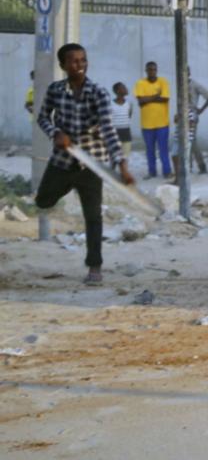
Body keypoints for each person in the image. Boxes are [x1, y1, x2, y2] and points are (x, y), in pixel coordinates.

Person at [35, 44, 135, 285]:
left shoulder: (98, 92)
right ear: (63, 66)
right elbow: (42, 117)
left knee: (93, 217)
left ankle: (94, 267)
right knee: (43, 201)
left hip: (92, 163)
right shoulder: (56, 90)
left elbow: (110, 131)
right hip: (62, 161)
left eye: (82, 60)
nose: (79, 65)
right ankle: (68, 186)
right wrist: (55, 133)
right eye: (73, 61)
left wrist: (121, 164)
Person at [134, 61, 171, 179]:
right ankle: (152, 171)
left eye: (154, 69)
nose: (152, 72)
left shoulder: (163, 82)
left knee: (163, 150)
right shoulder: (140, 83)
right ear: (146, 71)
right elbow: (140, 101)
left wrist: (147, 99)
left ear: (157, 70)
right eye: (149, 69)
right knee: (150, 150)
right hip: (147, 124)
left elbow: (165, 99)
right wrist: (156, 96)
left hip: (162, 123)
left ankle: (167, 171)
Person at [110, 82, 134, 161]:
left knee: (125, 157)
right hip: (114, 132)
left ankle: (123, 172)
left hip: (126, 132)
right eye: (123, 87)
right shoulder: (110, 104)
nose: (126, 89)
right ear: (117, 91)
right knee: (114, 156)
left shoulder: (129, 103)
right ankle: (111, 172)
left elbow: (129, 115)